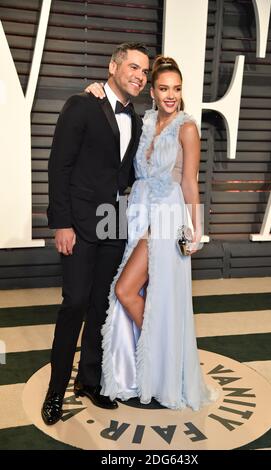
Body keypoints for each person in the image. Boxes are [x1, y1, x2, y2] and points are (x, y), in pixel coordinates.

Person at [87, 56, 216, 410]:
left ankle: (161, 360)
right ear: (153, 92)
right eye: (163, 88)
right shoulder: (146, 121)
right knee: (147, 293)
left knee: (126, 290)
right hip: (139, 211)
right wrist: (95, 92)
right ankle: (153, 369)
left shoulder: (187, 127)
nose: (171, 95)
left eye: (176, 88)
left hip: (167, 214)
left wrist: (197, 230)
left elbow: (189, 181)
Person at [41, 43, 150, 425]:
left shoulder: (136, 119)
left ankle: (88, 381)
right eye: (133, 67)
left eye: (144, 72)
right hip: (79, 224)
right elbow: (59, 166)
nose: (139, 75)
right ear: (113, 66)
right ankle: (55, 392)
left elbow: (125, 174)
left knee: (101, 306)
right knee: (74, 303)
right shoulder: (82, 103)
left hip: (113, 219)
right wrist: (62, 223)